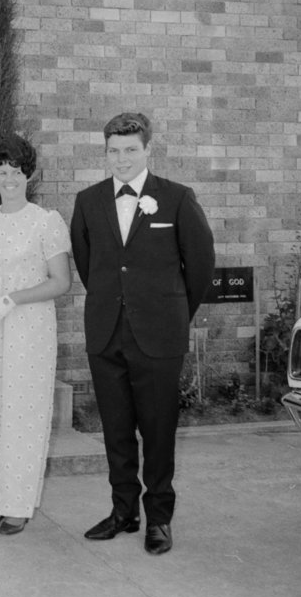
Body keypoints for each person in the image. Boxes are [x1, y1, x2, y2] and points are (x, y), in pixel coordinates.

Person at [70, 112, 215, 555]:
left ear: (148, 149)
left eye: (130, 150)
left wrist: (173, 314)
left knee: (158, 430)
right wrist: (115, 305)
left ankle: (160, 518)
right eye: (113, 151)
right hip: (106, 332)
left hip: (159, 335)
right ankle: (123, 512)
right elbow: (88, 264)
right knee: (116, 430)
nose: (122, 158)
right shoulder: (88, 201)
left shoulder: (176, 198)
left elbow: (200, 265)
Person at [0, 136, 72, 536]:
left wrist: (12, 299)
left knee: (21, 415)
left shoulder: (45, 221)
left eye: (16, 172)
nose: (9, 179)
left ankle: (17, 504)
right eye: (2, 172)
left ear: (28, 176)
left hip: (29, 331)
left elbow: (60, 281)